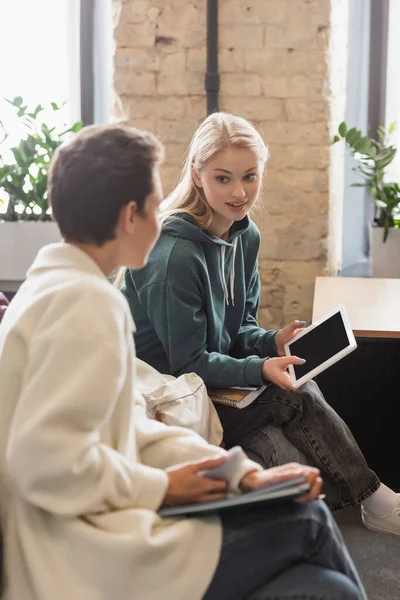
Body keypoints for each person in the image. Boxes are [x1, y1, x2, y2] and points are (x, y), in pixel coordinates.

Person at [0, 123, 366, 600]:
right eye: (156, 206)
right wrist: (163, 487)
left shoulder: (52, 287)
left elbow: (126, 424)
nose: (164, 218)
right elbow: (43, 461)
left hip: (102, 520)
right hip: (84, 548)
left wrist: (235, 472)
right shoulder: (82, 305)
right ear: (132, 216)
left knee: (325, 587)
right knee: (310, 520)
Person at [122, 112, 400, 536]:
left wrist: (271, 340)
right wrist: (259, 367)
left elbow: (236, 330)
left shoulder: (244, 235)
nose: (239, 192)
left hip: (209, 378)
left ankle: (353, 509)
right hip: (172, 392)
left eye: (250, 176)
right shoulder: (174, 256)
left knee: (287, 429)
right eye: (223, 178)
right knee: (295, 396)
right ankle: (373, 501)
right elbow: (187, 360)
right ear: (197, 175)